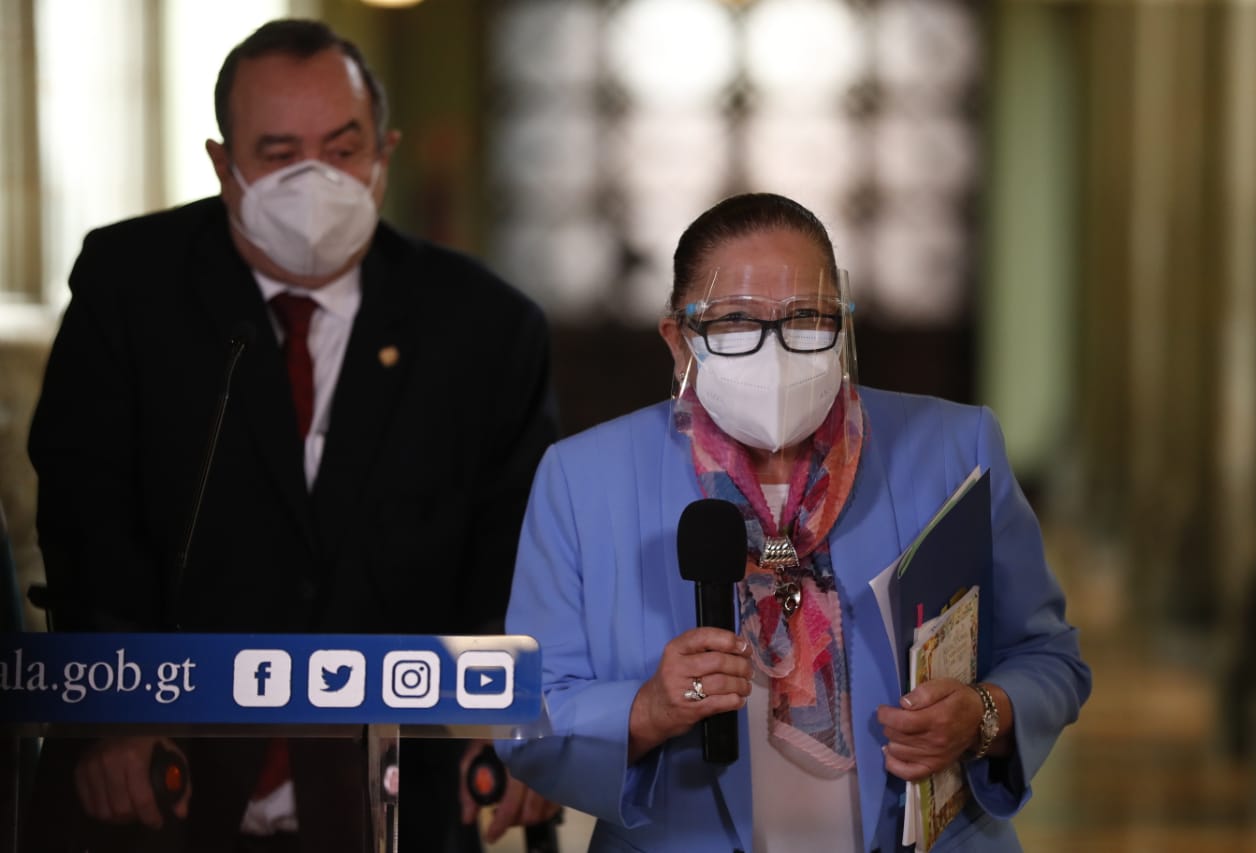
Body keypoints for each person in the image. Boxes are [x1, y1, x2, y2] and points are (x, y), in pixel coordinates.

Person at [25, 18, 558, 852]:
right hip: (162, 776)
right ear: (222, 165)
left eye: (342, 150)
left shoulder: (487, 327)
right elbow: (86, 514)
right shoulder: (130, 286)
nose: (315, 178)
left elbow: (518, 552)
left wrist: (515, 721)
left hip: (396, 787)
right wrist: (114, 710)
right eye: (279, 154)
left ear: (385, 152)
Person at [499, 192, 1092, 851]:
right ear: (678, 339)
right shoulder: (585, 480)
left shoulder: (955, 449)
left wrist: (985, 716)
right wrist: (644, 711)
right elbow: (527, 711)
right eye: (734, 322)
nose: (774, 351)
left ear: (844, 325)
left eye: (808, 318)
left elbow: (1049, 656)